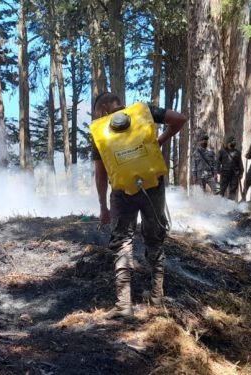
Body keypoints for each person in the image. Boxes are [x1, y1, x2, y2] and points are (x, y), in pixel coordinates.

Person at [91, 92, 186, 319]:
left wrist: (103, 207)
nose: (96, 115)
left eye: (96, 110)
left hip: (122, 191)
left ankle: (124, 305)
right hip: (152, 184)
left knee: (122, 242)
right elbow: (180, 119)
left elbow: (101, 174)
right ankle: (156, 297)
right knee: (155, 238)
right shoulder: (143, 112)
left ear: (103, 107)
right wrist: (158, 141)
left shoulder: (100, 129)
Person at [216, 135, 243, 201]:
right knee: (222, 189)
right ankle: (219, 204)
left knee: (233, 190)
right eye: (231, 141)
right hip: (225, 174)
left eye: (234, 141)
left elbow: (240, 164)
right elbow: (217, 162)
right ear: (228, 143)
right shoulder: (222, 152)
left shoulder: (237, 152)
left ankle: (230, 205)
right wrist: (219, 171)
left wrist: (241, 173)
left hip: (234, 174)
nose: (233, 143)